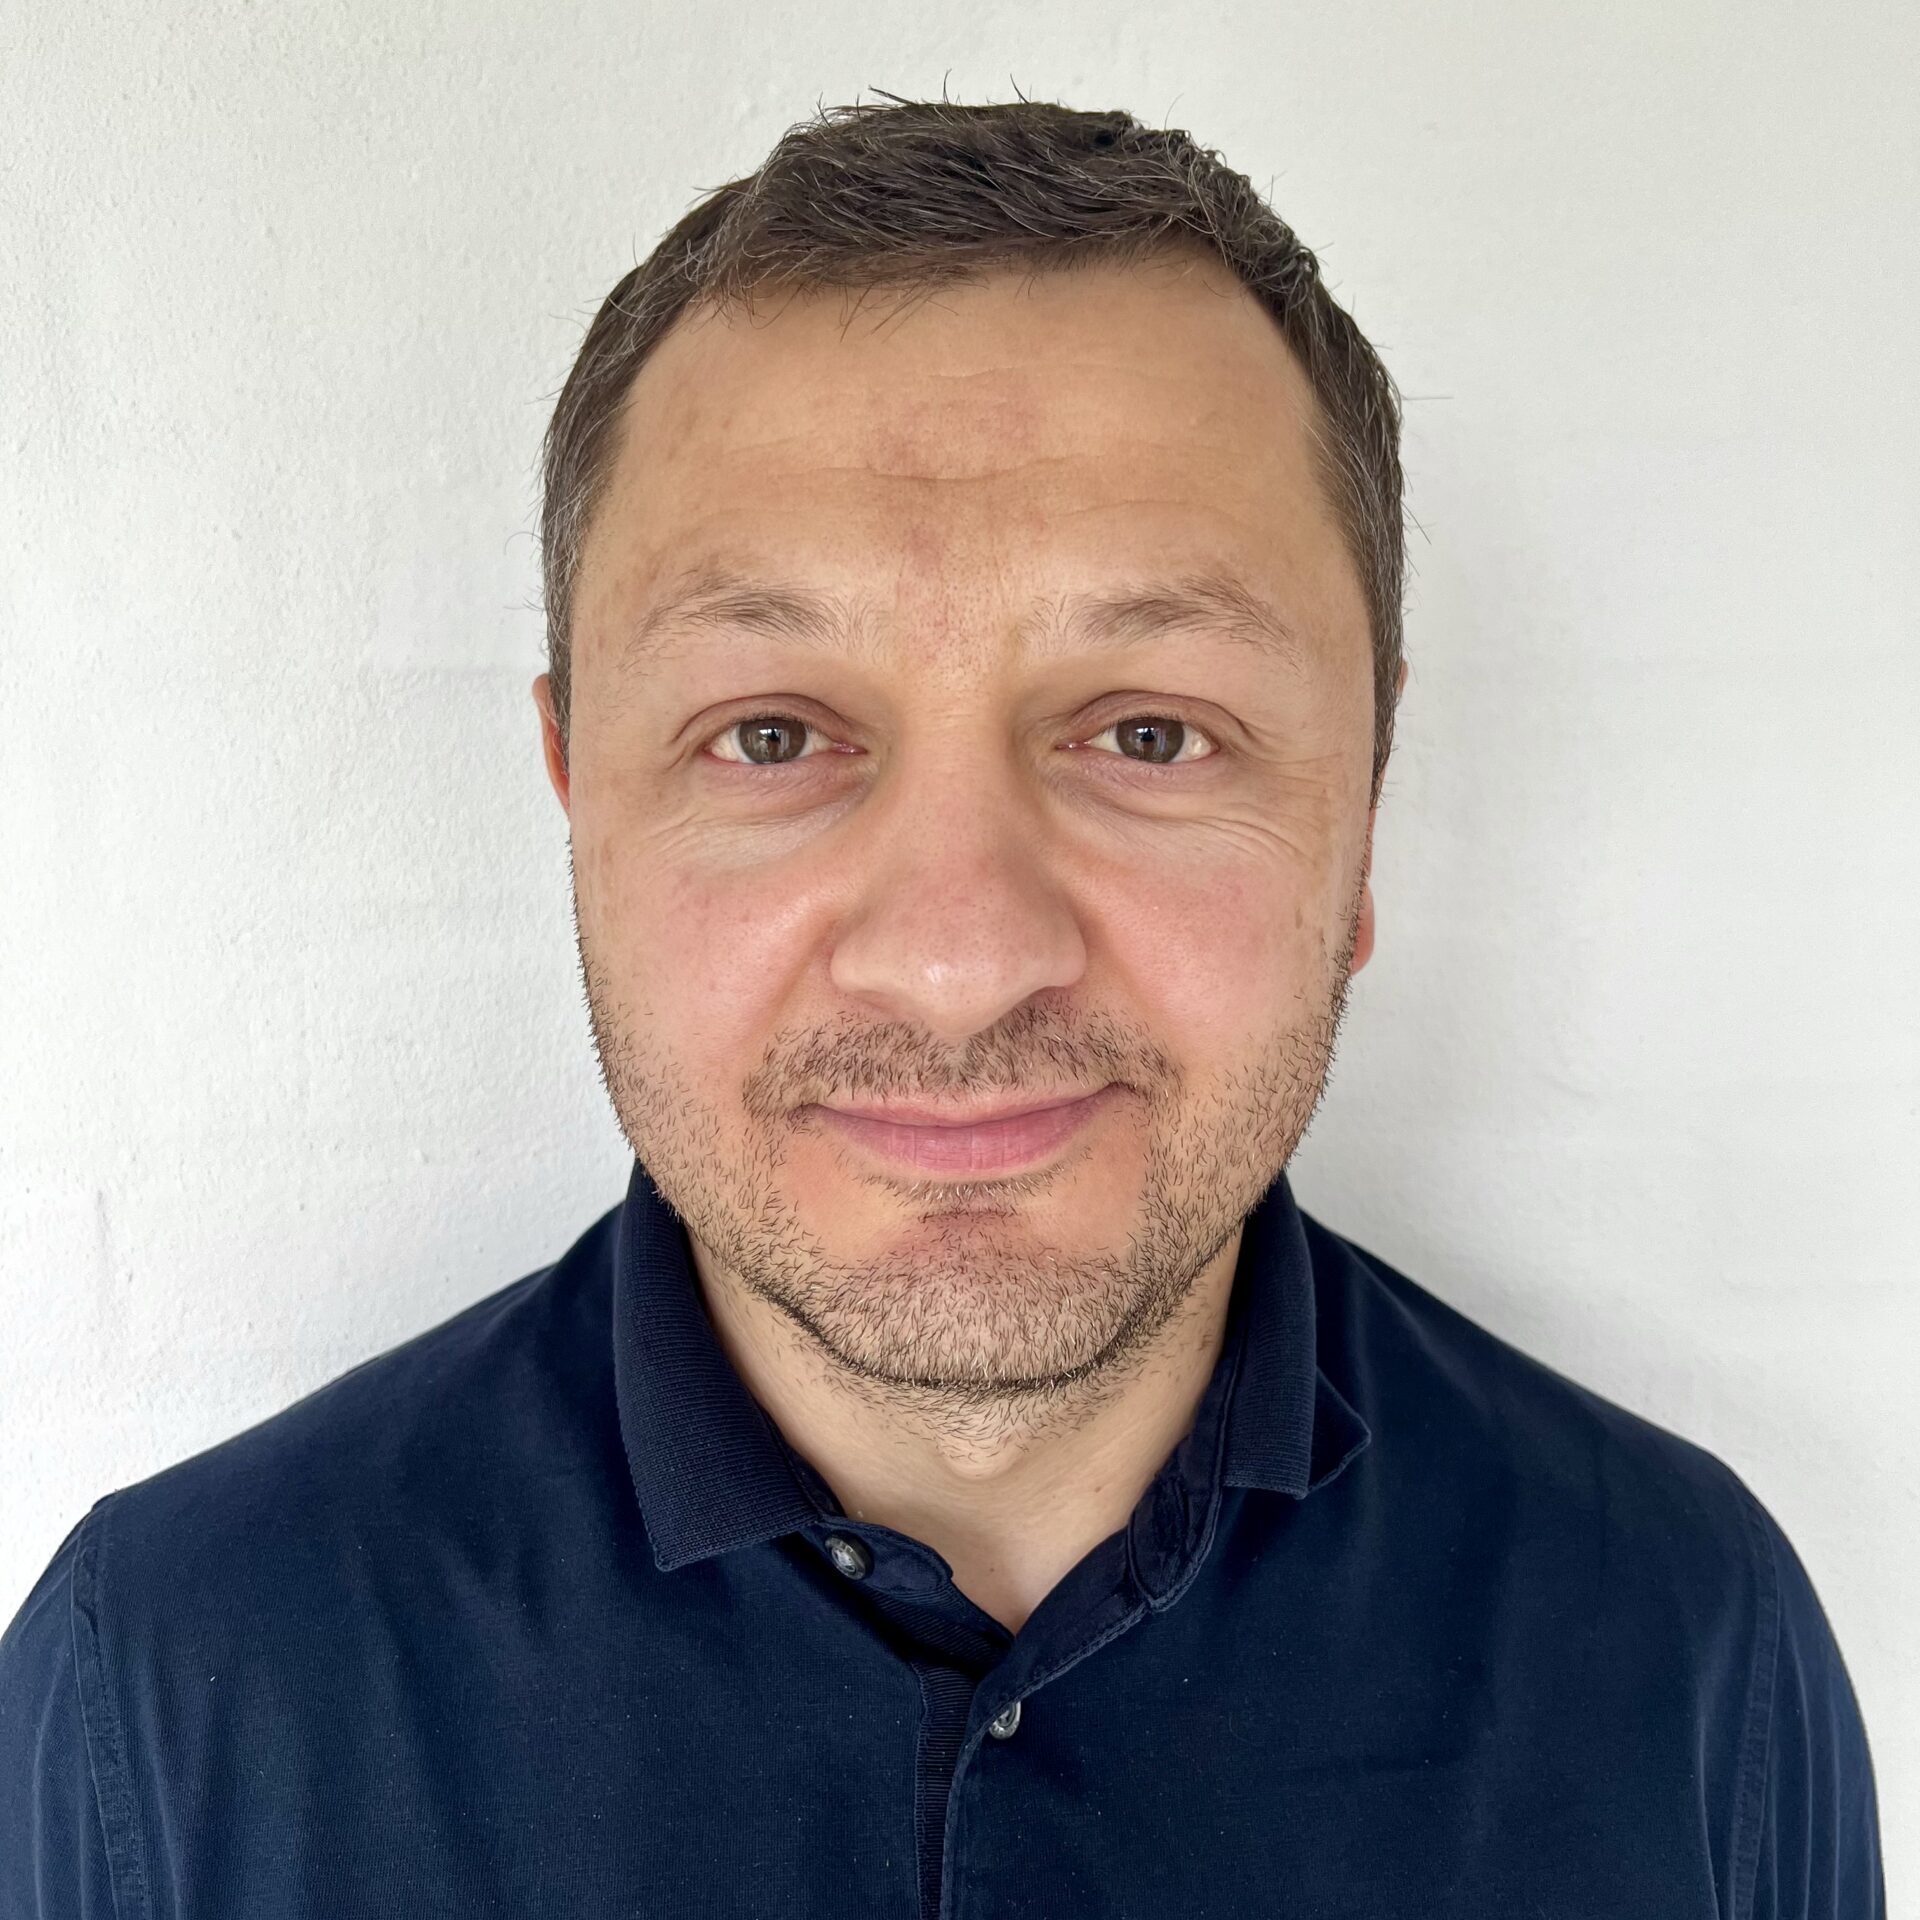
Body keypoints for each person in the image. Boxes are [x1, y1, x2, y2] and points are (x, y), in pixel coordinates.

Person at [0, 96, 1884, 1919]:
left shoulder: (1691, 1653)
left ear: (1364, 807)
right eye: (771, 735)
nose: (962, 961)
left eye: (1151, 734)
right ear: (580, 796)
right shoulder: (151, 1701)